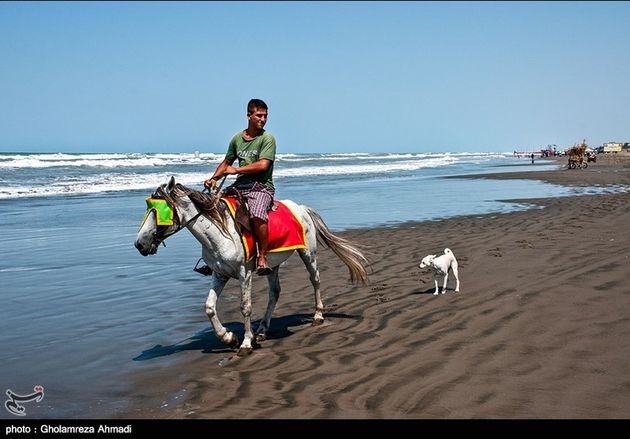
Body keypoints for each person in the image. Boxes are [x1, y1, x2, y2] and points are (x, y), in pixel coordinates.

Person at [204, 98, 276, 276]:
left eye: (265, 116)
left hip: (261, 187)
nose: (263, 119)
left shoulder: (267, 138)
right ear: (248, 115)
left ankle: (263, 257)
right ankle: (212, 257)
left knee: (257, 213)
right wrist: (213, 179)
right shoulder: (237, 139)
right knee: (211, 208)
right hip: (239, 186)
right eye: (259, 115)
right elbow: (226, 162)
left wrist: (236, 170)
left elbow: (263, 165)